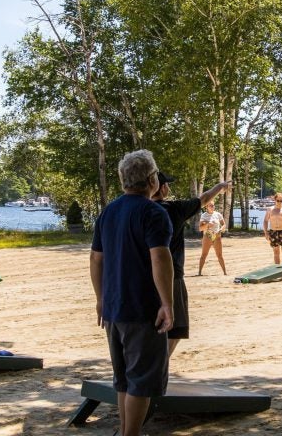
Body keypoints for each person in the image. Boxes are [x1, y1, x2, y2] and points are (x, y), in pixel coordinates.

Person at [90, 150, 174, 436]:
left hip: (113, 307)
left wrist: (100, 298)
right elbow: (160, 259)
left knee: (123, 378)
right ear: (152, 179)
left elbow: (95, 259)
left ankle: (127, 431)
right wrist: (167, 303)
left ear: (123, 179)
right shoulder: (153, 212)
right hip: (143, 308)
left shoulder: (108, 211)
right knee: (141, 379)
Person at [152, 173, 231, 357]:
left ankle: (153, 364)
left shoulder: (138, 209)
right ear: (162, 187)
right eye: (167, 185)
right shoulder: (174, 208)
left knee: (150, 326)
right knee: (176, 327)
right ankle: (159, 364)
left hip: (141, 276)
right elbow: (203, 199)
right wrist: (220, 187)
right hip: (172, 276)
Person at [263, 192, 282, 268]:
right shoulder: (270, 209)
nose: (279, 202)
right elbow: (265, 221)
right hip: (273, 232)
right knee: (276, 252)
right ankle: (277, 270)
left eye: (281, 201)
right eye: (278, 200)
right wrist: (266, 233)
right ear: (275, 200)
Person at [198, 201, 227, 276]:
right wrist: (208, 225)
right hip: (207, 236)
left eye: (213, 205)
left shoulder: (218, 214)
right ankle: (199, 272)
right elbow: (200, 228)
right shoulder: (204, 215)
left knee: (220, 255)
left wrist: (221, 229)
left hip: (217, 236)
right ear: (206, 207)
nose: (212, 207)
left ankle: (225, 273)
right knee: (204, 255)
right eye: (210, 206)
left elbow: (224, 224)